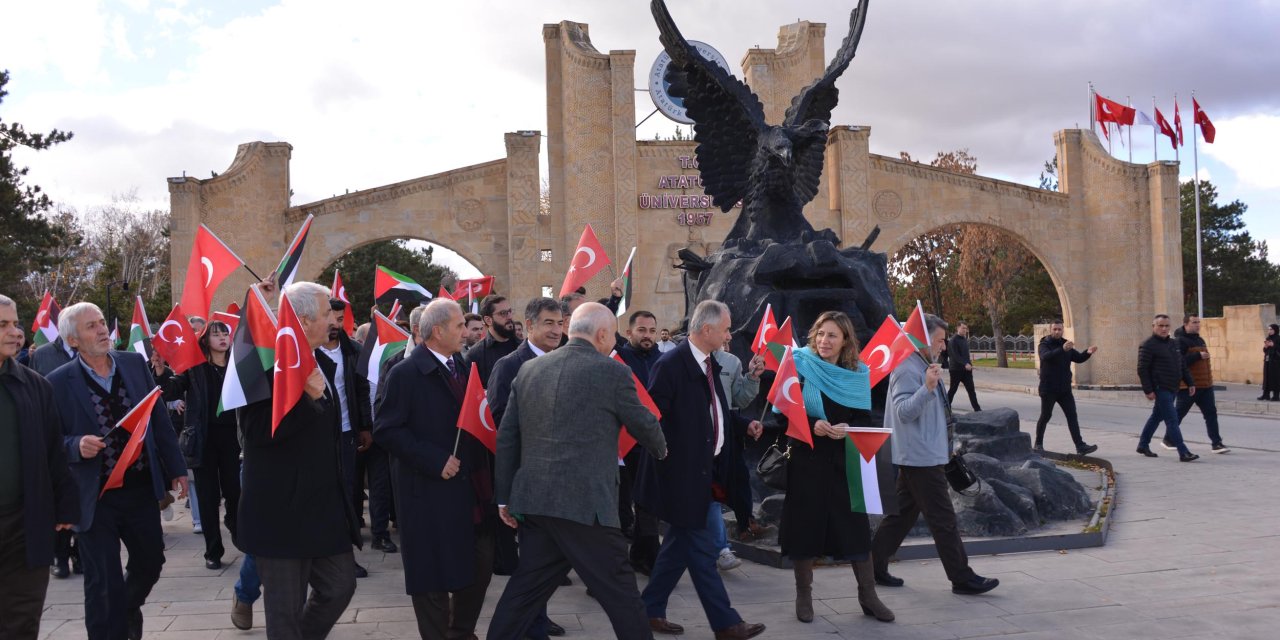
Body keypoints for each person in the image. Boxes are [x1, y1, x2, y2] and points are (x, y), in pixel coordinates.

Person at [487, 302, 667, 640]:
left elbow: (507, 437)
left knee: (525, 591)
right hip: (587, 508)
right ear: (601, 334)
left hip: (536, 502)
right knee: (623, 594)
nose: (614, 343)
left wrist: (504, 497)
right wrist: (662, 448)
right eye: (613, 335)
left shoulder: (528, 370)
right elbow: (644, 423)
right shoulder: (613, 371)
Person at [48, 302, 188, 640]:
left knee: (151, 561)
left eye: (101, 323)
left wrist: (176, 468)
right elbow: (50, 440)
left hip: (140, 488)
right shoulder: (57, 382)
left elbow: (157, 419)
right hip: (94, 496)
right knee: (102, 580)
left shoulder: (133, 364)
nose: (101, 331)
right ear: (73, 340)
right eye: (90, 327)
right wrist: (75, 445)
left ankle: (124, 610)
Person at [635, 300, 766, 640]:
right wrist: (675, 464)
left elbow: (715, 413)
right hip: (681, 478)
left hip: (706, 474)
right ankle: (726, 624)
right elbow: (653, 422)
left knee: (679, 546)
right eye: (725, 329)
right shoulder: (671, 365)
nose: (728, 336)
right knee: (702, 550)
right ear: (707, 330)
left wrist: (742, 425)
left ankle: (649, 609)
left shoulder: (710, 363)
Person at [238, 282, 360, 639]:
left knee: (340, 586)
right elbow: (258, 433)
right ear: (303, 321)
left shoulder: (321, 361)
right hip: (280, 516)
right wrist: (306, 400)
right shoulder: (263, 366)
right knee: (284, 615)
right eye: (326, 315)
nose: (333, 322)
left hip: (323, 511)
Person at [375, 299, 495, 640]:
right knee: (432, 577)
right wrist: (432, 458)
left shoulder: (461, 364)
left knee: (480, 563)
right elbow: (386, 429)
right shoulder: (404, 373)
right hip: (426, 491)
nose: (466, 331)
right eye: (459, 326)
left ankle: (460, 630)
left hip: (468, 489)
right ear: (438, 330)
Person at [871, 313, 999, 596]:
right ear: (922, 338)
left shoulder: (923, 363)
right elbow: (904, 411)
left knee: (902, 515)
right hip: (920, 457)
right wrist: (927, 387)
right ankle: (961, 578)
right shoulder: (907, 367)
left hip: (925, 453)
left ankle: (873, 566)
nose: (944, 345)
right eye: (940, 340)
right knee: (943, 519)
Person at [781, 311, 894, 623]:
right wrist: (811, 423)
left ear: (845, 341)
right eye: (820, 333)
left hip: (844, 463)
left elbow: (864, 419)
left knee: (855, 528)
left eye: (832, 335)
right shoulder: (798, 364)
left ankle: (868, 596)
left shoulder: (858, 374)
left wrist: (848, 427)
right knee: (805, 527)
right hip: (806, 459)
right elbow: (783, 411)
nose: (823, 340)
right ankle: (804, 595)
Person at [485, 296, 567, 639]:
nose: (556, 330)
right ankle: (531, 627)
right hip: (528, 479)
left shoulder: (566, 361)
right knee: (534, 561)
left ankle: (532, 621)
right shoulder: (509, 366)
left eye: (560, 323)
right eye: (548, 323)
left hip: (562, 479)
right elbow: (501, 422)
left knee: (544, 561)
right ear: (529, 325)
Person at [0, 294, 79, 640]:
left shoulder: (35, 387)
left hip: (24, 526)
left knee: (22, 619)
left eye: (15, 323)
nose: (14, 332)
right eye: (3, 325)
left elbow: (53, 451)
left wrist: (64, 505)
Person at [161, 320, 242, 570]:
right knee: (207, 498)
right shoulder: (195, 367)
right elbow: (170, 390)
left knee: (235, 493)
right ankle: (213, 550)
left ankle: (239, 532)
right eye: (216, 335)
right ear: (205, 340)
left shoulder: (237, 366)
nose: (222, 338)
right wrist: (160, 371)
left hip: (233, 440)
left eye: (225, 334)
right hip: (203, 441)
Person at [316, 299, 375, 577]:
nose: (335, 325)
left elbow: (362, 390)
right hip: (318, 435)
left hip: (348, 433)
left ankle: (345, 556)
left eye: (340, 319)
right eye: (331, 318)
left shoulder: (353, 350)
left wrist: (365, 426)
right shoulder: (307, 350)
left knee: (348, 493)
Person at [712, 332, 766, 570]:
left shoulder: (731, 362)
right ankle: (720, 546)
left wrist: (753, 377)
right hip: (695, 440)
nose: (728, 335)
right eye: (725, 328)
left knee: (737, 480)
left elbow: (738, 401)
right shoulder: (680, 359)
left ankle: (744, 525)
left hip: (727, 438)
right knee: (708, 497)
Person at [1136, 314, 1199, 462]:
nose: (1164, 329)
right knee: (1172, 419)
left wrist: (1190, 382)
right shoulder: (1148, 345)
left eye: (1167, 326)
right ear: (1154, 327)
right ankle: (1183, 452)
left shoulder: (1174, 343)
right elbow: (1142, 369)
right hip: (1160, 388)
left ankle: (1143, 445)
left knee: (1156, 417)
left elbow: (1181, 365)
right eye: (1160, 326)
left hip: (1173, 387)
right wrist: (1148, 390)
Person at [1033, 321, 1099, 455]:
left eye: (1059, 329)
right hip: (1048, 388)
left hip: (1064, 390)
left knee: (1072, 416)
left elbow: (1079, 358)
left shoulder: (1066, 345)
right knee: (1046, 415)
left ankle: (1080, 446)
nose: (1057, 332)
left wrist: (1088, 352)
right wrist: (1062, 349)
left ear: (1063, 330)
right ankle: (1038, 444)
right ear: (1051, 330)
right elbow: (1046, 357)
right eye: (1055, 329)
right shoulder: (1044, 344)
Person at [1166, 315, 1229, 453]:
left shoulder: (1200, 339)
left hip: (1205, 386)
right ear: (1186, 324)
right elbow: (1178, 362)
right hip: (1188, 386)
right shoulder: (1179, 341)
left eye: (1198, 322)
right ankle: (1168, 439)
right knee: (1178, 414)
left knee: (1211, 414)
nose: (1198, 325)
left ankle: (1216, 443)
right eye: (1194, 322)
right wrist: (1197, 356)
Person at [464, 294, 519, 385]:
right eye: (503, 313)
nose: (509, 317)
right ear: (488, 320)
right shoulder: (475, 355)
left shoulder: (524, 347)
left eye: (510, 311)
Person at [946, 322, 981, 411]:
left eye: (966, 328)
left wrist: (969, 363)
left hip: (967, 371)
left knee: (971, 390)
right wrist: (965, 364)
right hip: (956, 370)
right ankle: (945, 406)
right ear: (957, 328)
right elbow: (955, 355)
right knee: (953, 389)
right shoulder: (953, 340)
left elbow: (965, 355)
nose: (965, 330)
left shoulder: (964, 339)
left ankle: (977, 409)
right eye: (963, 328)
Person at [1260, 324, 1280, 401]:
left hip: (1276, 363)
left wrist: (1273, 345)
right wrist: (1265, 347)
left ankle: (1276, 396)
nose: (1269, 331)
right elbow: (1265, 351)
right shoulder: (1268, 338)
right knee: (1267, 377)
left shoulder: (1278, 338)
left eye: (1271, 329)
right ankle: (1266, 394)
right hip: (1268, 361)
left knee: (1275, 378)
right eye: (1268, 329)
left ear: (1275, 330)